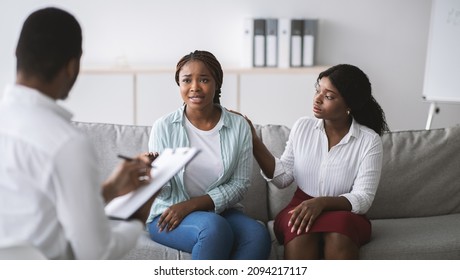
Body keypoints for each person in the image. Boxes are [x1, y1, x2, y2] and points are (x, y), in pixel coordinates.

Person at [0, 7, 154, 259]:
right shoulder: (66, 143)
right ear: (72, 66)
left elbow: (39, 212)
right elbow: (97, 254)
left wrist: (110, 189)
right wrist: (138, 217)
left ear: (17, 53)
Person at [238, 64, 388, 259]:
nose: (317, 99)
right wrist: (254, 140)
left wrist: (321, 203)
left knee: (339, 234)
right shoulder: (302, 127)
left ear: (349, 105)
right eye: (318, 90)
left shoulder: (369, 141)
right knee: (300, 232)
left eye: (329, 96)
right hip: (301, 205)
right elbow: (283, 178)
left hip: (344, 213)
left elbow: (363, 198)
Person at [146, 50, 271, 259]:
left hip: (220, 212)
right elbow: (163, 193)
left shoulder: (239, 126)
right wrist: (153, 174)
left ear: (217, 83)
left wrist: (191, 205)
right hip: (168, 213)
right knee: (213, 229)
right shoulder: (164, 126)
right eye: (187, 80)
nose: (195, 87)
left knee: (257, 235)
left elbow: (240, 184)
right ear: (179, 85)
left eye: (204, 79)